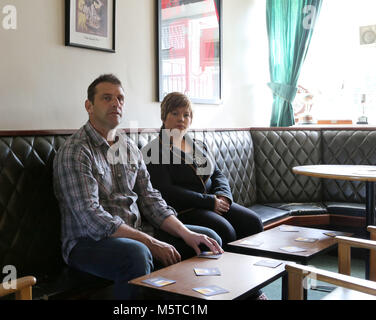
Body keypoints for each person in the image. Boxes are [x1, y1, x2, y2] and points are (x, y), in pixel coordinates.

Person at [53, 75, 223, 300]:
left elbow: (151, 198)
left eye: (120, 98)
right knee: (137, 254)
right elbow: (91, 216)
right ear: (89, 106)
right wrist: (150, 242)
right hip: (88, 243)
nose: (116, 103)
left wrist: (186, 232)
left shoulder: (129, 147)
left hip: (137, 232)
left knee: (206, 240)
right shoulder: (76, 151)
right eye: (107, 98)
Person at [142, 92, 264, 248]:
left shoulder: (197, 146)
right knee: (225, 230)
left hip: (214, 201)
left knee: (253, 222)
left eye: (186, 115)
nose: (181, 119)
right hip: (185, 209)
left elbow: (217, 173)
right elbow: (167, 191)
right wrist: (209, 202)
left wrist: (223, 195)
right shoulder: (154, 151)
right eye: (175, 113)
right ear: (164, 117)